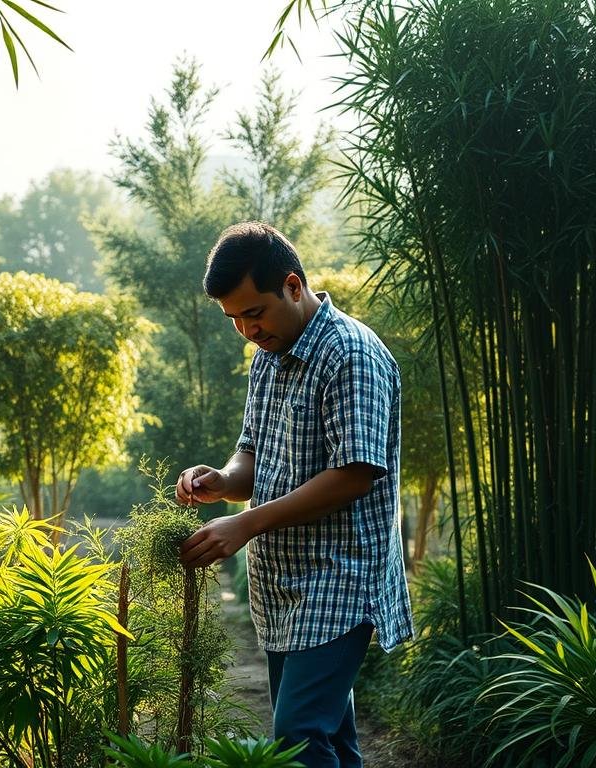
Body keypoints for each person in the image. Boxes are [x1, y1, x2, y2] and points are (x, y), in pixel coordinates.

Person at [175, 222, 412, 768]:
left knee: (298, 733)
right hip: (284, 585)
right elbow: (251, 455)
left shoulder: (350, 354)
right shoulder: (269, 356)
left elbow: (354, 475)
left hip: (340, 578)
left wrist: (247, 523)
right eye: (234, 319)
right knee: (329, 739)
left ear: (293, 285)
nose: (246, 330)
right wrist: (222, 481)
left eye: (253, 313)